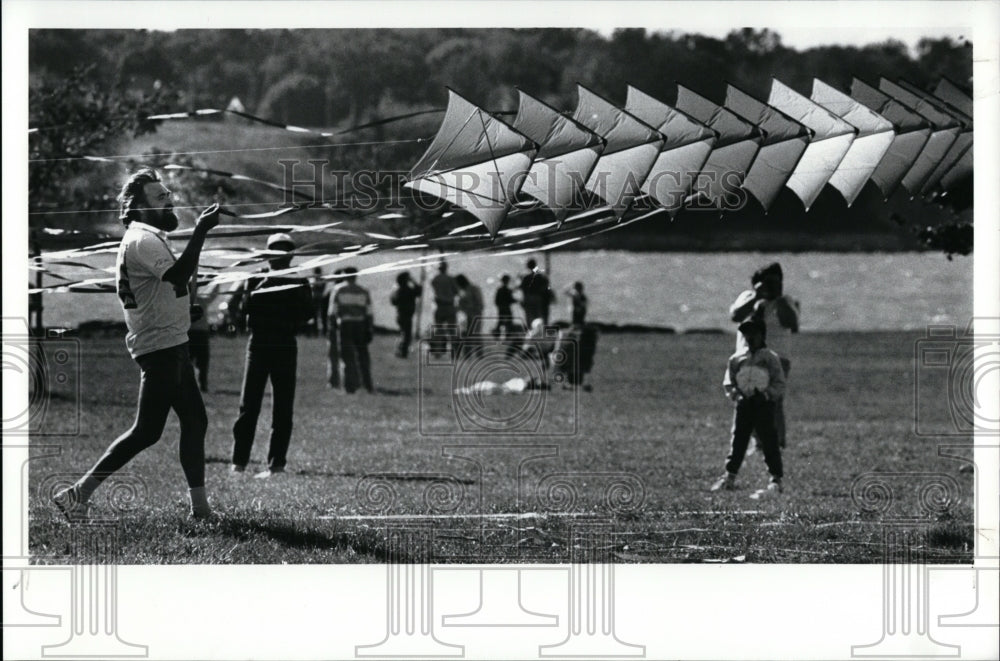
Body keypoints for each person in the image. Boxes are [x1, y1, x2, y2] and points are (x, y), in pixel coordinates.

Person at [53, 168, 221, 520]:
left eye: (168, 194)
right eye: (160, 198)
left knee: (194, 421)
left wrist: (182, 308)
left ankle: (201, 510)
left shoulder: (150, 237)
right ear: (140, 208)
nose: (169, 200)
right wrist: (202, 231)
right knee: (146, 431)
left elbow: (166, 286)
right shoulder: (142, 239)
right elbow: (175, 275)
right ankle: (77, 494)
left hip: (170, 342)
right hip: (159, 347)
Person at [231, 233, 313, 478]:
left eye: (285, 251)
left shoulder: (300, 281)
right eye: (276, 251)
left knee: (283, 407)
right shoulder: (255, 278)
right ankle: (239, 463)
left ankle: (277, 465)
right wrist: (264, 285)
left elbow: (307, 313)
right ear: (267, 254)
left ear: (291, 255)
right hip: (258, 345)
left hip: (285, 345)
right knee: (249, 406)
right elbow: (242, 308)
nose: (281, 256)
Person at [711, 318, 786, 499]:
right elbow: (729, 383)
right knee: (739, 440)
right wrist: (738, 396)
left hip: (764, 405)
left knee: (768, 440)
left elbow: (779, 383)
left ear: (762, 335)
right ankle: (729, 476)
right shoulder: (737, 359)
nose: (750, 337)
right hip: (744, 405)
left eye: (754, 333)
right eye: (746, 334)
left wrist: (766, 395)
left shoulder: (770, 358)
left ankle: (776, 479)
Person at [729, 262, 799, 448]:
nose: (771, 287)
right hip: (747, 357)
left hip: (778, 357)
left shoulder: (786, 301)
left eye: (776, 282)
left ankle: (776, 443)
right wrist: (756, 298)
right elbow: (736, 315)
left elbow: (792, 323)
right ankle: (753, 442)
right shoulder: (747, 297)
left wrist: (778, 300)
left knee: (773, 400)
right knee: (746, 400)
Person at [333, 266, 375, 394]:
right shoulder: (363, 291)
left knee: (346, 356)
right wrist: (370, 328)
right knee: (363, 356)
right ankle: (367, 385)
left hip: (345, 324)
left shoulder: (338, 290)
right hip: (360, 324)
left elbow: (333, 311)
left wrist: (333, 325)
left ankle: (349, 386)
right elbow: (369, 312)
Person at [429, 260, 459, 356]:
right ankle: (454, 352)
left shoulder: (435, 279)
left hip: (439, 306)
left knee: (439, 330)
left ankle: (437, 352)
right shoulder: (451, 279)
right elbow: (456, 291)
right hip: (450, 306)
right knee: (452, 330)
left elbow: (434, 287)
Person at [389, 271, 421, 358]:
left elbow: (393, 301)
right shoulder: (408, 290)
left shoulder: (399, 290)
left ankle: (401, 350)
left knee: (404, 333)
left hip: (400, 314)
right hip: (406, 315)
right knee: (406, 334)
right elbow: (419, 291)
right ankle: (402, 351)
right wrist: (413, 281)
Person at [187, 278, 211, 392]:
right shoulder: (187, 301)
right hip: (194, 334)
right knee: (200, 362)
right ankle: (201, 385)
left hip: (198, 334)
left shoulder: (200, 300)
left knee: (200, 362)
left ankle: (202, 385)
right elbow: (213, 296)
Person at [325, 269, 346, 388]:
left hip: (333, 327)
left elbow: (327, 313)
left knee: (332, 356)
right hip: (346, 326)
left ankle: (333, 381)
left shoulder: (330, 293)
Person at [519, 258, 554, 325]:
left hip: (529, 298)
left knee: (529, 318)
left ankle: (531, 332)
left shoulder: (526, 277)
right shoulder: (540, 276)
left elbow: (523, 289)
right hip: (538, 298)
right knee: (538, 317)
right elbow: (545, 286)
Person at [310, 267, 329, 336]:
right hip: (318, 298)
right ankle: (317, 331)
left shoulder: (314, 279)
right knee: (318, 316)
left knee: (319, 315)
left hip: (317, 298)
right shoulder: (319, 279)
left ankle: (318, 331)